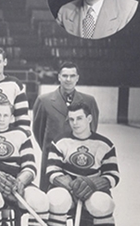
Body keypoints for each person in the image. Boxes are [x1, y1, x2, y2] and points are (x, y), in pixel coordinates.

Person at [45, 102, 120, 226]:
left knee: (102, 204)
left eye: (79, 118)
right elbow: (51, 170)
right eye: (71, 119)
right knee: (56, 200)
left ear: (89, 119)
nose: (75, 123)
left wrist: (93, 184)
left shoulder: (104, 144)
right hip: (69, 190)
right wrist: (71, 185)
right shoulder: (60, 141)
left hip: (93, 190)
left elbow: (113, 175)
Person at [32, 61, 100, 190]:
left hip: (79, 157)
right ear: (58, 77)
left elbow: (92, 129)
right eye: (65, 76)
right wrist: (51, 150)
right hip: (52, 158)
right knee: (51, 199)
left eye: (72, 76)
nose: (68, 79)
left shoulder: (89, 101)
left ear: (77, 78)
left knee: (79, 194)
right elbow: (38, 131)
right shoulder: (44, 100)